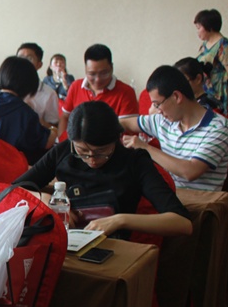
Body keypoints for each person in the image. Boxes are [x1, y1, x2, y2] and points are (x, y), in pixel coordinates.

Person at [14, 101, 192, 239]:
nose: (91, 159)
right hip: (67, 242)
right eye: (82, 152)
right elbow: (12, 190)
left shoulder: (134, 162)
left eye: (101, 152)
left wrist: (120, 220)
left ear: (116, 139)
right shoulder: (63, 151)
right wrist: (43, 199)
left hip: (114, 248)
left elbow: (182, 223)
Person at [121, 65, 228, 191]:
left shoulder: (219, 128)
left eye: (158, 104)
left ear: (177, 97)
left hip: (199, 200)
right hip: (167, 196)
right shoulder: (164, 121)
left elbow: (190, 171)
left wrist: (145, 148)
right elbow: (125, 123)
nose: (158, 111)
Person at [0, 56, 59, 165]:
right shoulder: (24, 112)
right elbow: (47, 142)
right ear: (29, 85)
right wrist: (54, 129)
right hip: (7, 168)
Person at [60, 44, 139, 138]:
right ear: (85, 69)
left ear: (112, 67)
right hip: (77, 144)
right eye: (92, 74)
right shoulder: (76, 87)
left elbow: (129, 132)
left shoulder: (126, 92)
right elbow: (65, 117)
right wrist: (63, 141)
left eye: (104, 73)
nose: (97, 79)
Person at [194, 9, 228, 111]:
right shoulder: (205, 44)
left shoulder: (223, 45)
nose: (197, 32)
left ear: (208, 26)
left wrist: (226, 93)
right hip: (203, 94)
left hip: (216, 96)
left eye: (199, 28)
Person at [17, 43, 60, 128]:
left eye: (29, 58)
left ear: (39, 65)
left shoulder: (49, 94)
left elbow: (53, 128)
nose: (24, 62)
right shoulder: (6, 87)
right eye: (20, 57)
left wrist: (31, 115)